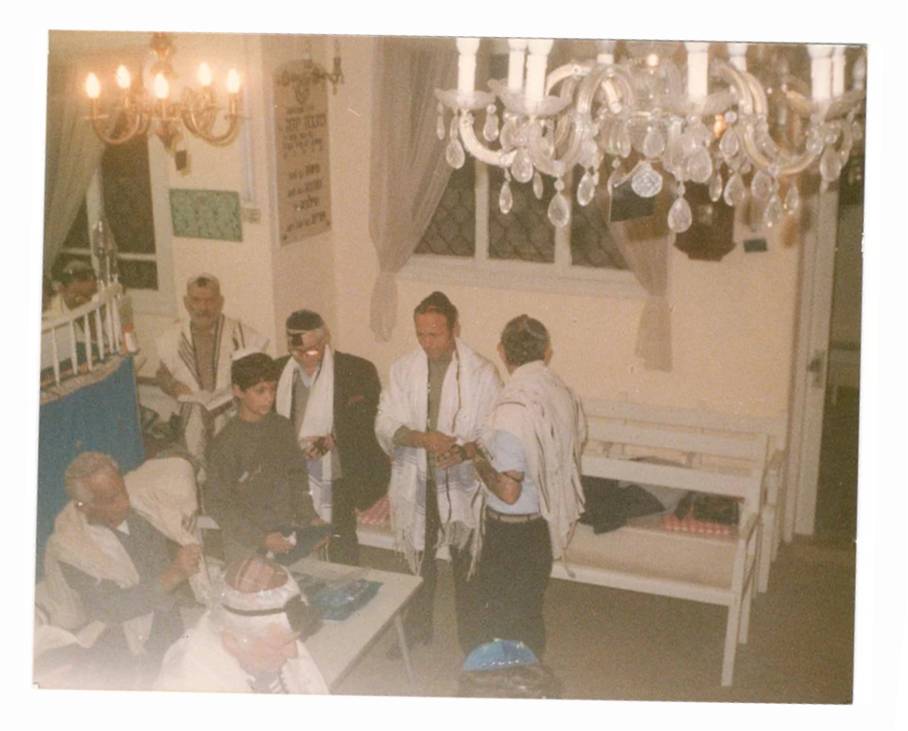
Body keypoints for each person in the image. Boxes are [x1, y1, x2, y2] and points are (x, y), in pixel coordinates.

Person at [375, 291, 501, 652]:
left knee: (467, 564)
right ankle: (417, 628)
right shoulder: (403, 369)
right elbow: (384, 421)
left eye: (435, 334)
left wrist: (463, 451)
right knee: (419, 560)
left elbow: (493, 429)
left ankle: (472, 642)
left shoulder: (481, 372)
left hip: (462, 483)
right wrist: (421, 438)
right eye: (420, 334)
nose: (427, 343)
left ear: (454, 328)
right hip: (418, 480)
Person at [465, 315, 586, 658]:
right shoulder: (562, 393)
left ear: (501, 352)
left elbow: (508, 491)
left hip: (509, 533)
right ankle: (530, 679)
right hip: (539, 527)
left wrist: (475, 457)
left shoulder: (512, 409)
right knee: (529, 613)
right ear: (546, 353)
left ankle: (506, 681)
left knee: (500, 621)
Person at [41, 452, 202, 686]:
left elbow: (178, 467)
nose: (125, 502)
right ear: (83, 506)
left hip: (166, 619)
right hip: (115, 639)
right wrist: (175, 574)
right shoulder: (71, 548)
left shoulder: (144, 510)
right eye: (111, 499)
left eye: (122, 491)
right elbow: (110, 608)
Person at [275, 310, 389, 566]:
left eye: (310, 350)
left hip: (338, 477)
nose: (303, 358)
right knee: (294, 546)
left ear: (325, 338)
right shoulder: (279, 370)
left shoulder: (356, 370)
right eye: (296, 351)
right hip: (293, 477)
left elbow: (369, 423)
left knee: (340, 546)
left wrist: (333, 439)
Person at [205, 352, 323, 565]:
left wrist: (310, 518)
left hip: (286, 531)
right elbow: (218, 503)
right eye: (260, 391)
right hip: (246, 541)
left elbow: (297, 477)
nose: (269, 397)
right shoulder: (225, 443)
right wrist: (261, 538)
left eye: (273, 389)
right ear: (238, 390)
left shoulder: (282, 427)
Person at [155, 555, 328, 694]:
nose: (294, 653)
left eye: (293, 640)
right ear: (232, 642)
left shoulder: (275, 637)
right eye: (279, 645)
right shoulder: (185, 685)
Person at [155, 273, 268, 464]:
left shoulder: (241, 334)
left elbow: (260, 376)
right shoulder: (172, 337)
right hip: (190, 415)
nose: (202, 308)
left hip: (231, 413)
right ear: (186, 303)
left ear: (220, 302)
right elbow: (162, 375)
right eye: (196, 300)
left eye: (209, 301)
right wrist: (174, 386)